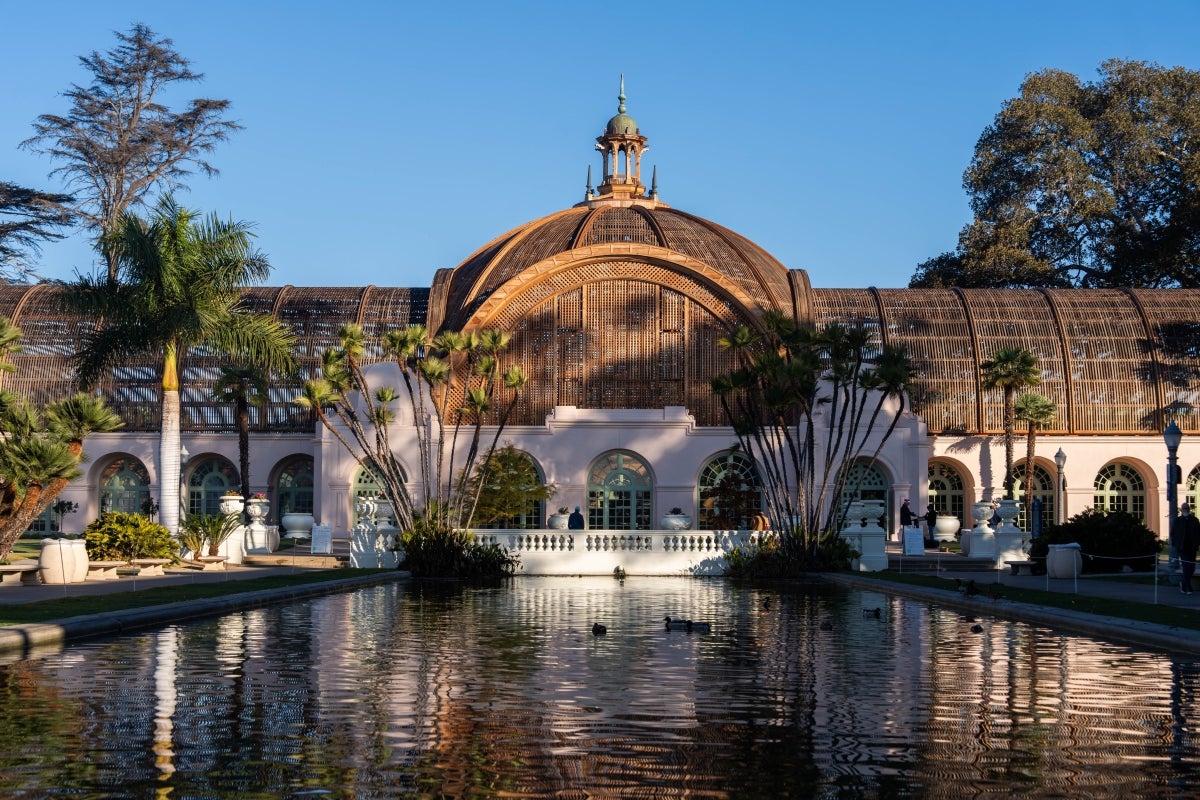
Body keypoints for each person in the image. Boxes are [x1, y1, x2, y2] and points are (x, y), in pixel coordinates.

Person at [1173, 504, 1200, 595]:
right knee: (1186, 566)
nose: (1185, 510)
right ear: (1181, 510)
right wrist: (1176, 544)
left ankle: (1183, 584)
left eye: (1187, 508)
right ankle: (1188, 587)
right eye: (1184, 508)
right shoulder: (1177, 521)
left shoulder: (1195, 520)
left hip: (1192, 547)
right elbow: (1173, 533)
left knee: (1191, 568)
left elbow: (1198, 533)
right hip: (1182, 547)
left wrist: (1197, 543)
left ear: (1189, 509)